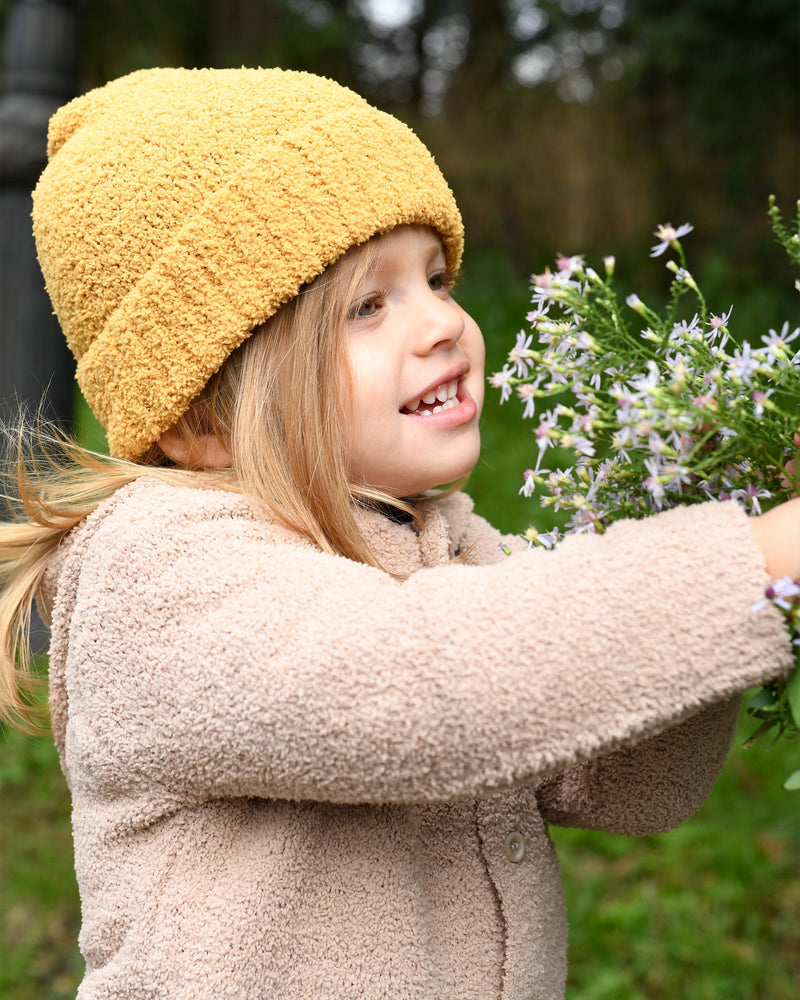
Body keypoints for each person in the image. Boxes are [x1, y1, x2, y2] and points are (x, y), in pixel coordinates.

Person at [1, 67, 798, 1000]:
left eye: (436, 278)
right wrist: (757, 561)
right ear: (204, 417)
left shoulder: (447, 542)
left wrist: (738, 559)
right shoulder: (165, 566)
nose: (444, 325)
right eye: (367, 306)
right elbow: (421, 686)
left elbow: (621, 783)